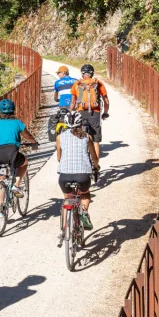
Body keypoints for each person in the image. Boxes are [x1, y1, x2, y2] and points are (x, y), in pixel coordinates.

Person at [0, 99, 38, 216]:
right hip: (11, 153)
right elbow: (27, 136)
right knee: (24, 162)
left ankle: (0, 209)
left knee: (0, 179)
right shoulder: (17, 123)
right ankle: (16, 186)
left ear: (0, 110)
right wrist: (34, 142)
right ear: (13, 110)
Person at [56, 112, 100, 241]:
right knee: (85, 194)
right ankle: (84, 212)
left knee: (68, 199)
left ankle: (64, 230)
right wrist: (96, 167)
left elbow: (59, 158)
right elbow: (94, 158)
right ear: (81, 124)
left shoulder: (60, 137)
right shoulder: (87, 137)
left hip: (64, 176)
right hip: (83, 176)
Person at [69, 64, 110, 160]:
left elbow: (73, 102)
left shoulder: (77, 84)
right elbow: (106, 101)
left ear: (82, 74)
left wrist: (71, 113)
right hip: (95, 112)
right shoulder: (98, 83)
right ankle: (96, 166)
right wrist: (105, 113)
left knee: (79, 136)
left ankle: (80, 160)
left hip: (81, 112)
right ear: (92, 73)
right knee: (95, 141)